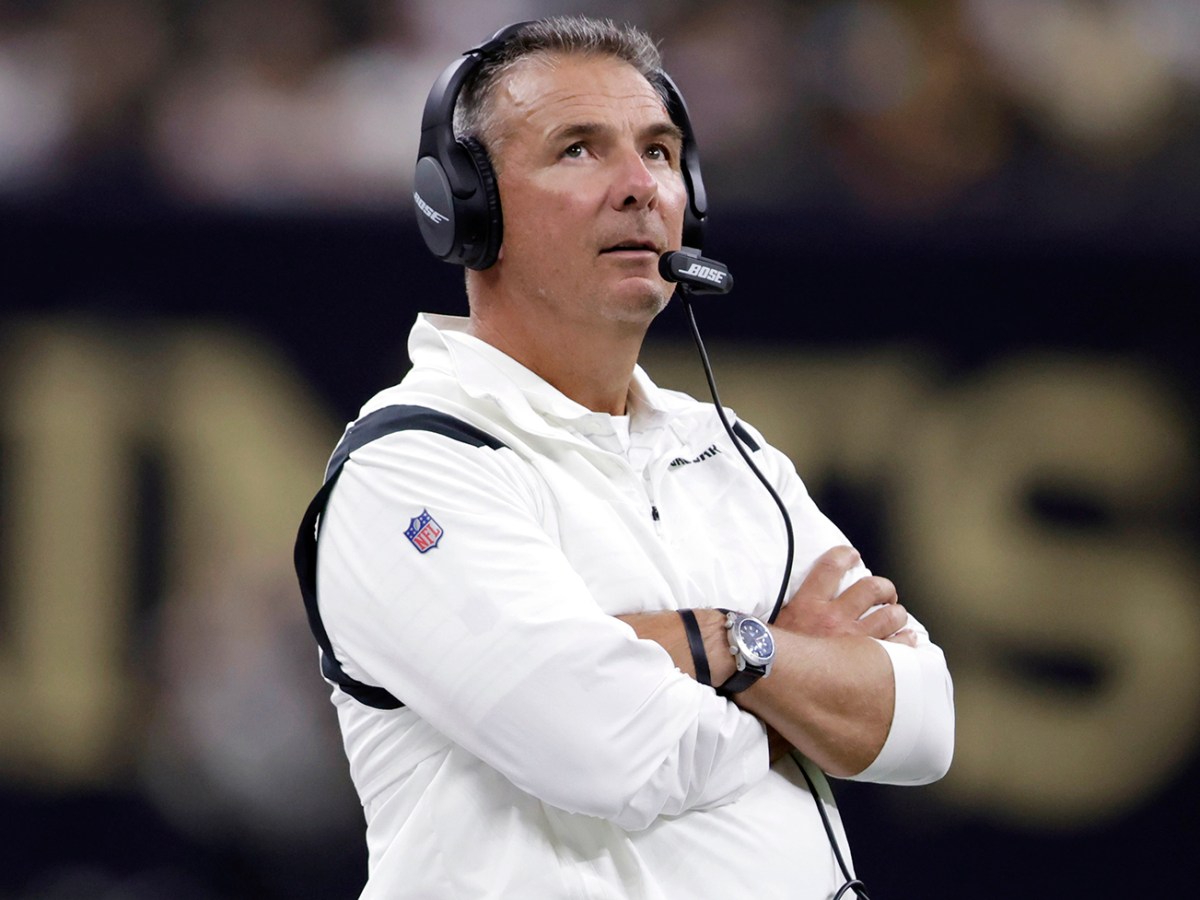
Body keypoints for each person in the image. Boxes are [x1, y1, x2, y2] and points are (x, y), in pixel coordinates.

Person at [295, 16, 954, 899]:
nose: (640, 187)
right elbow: (610, 753)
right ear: (467, 205)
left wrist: (716, 653)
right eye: (579, 150)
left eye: (659, 151)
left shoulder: (729, 449)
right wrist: (772, 665)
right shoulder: (409, 468)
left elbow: (921, 726)